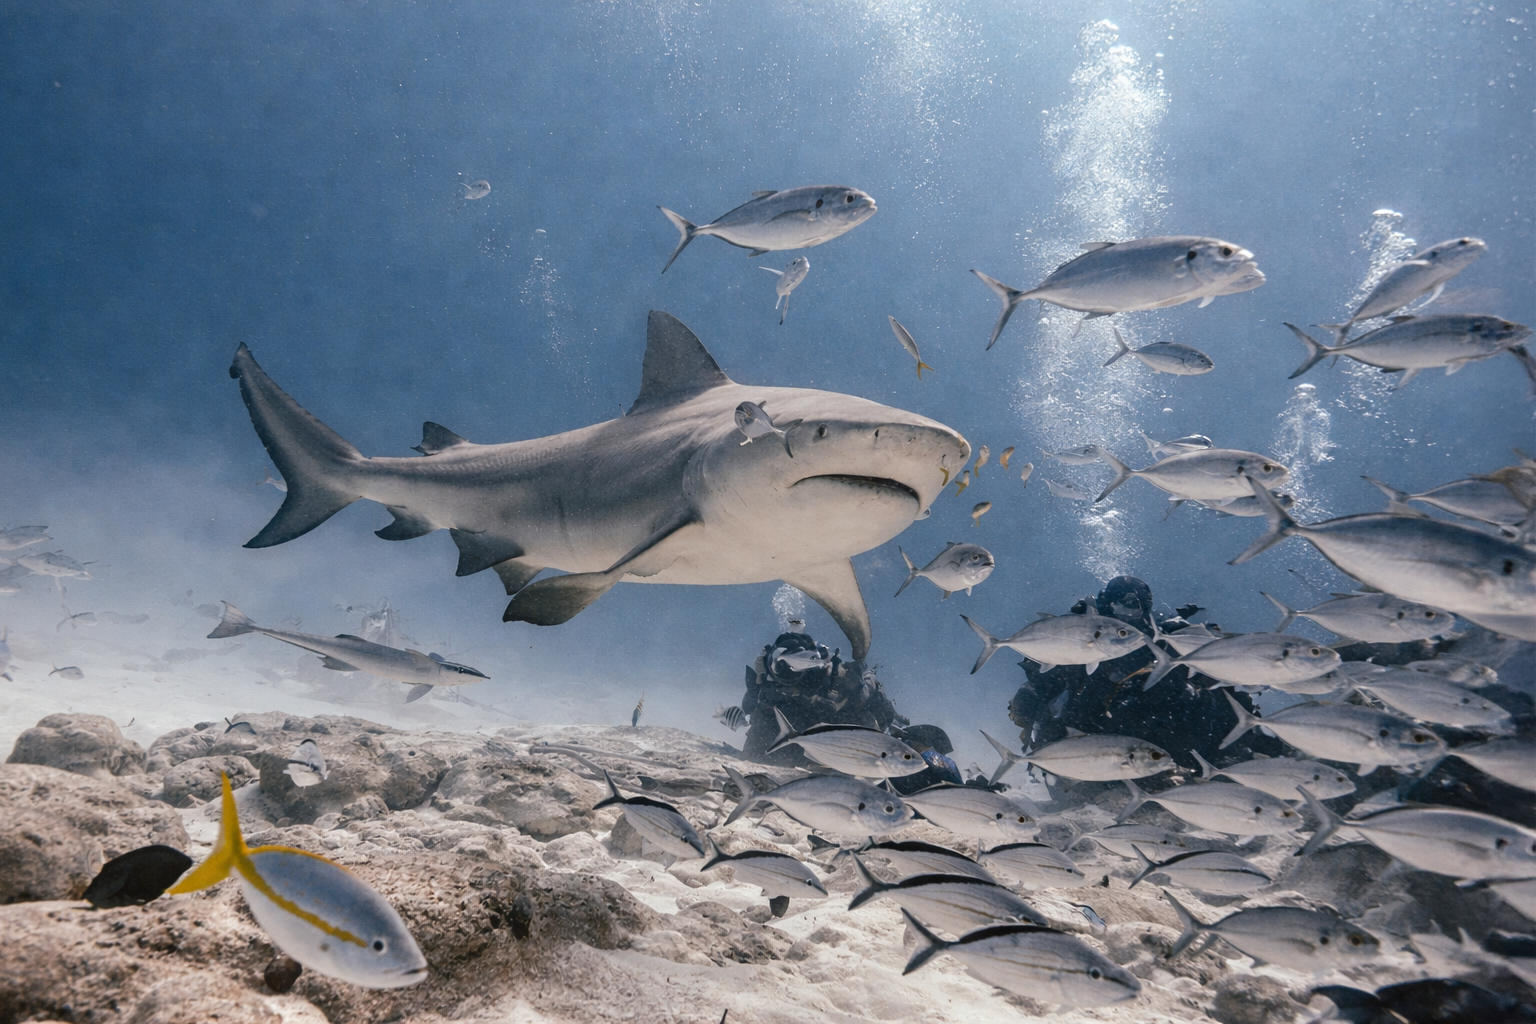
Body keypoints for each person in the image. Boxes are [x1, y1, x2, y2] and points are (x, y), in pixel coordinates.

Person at [1006, 575, 1290, 770]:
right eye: (1122, 604)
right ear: (1105, 606)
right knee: (1052, 732)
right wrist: (1031, 711)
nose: (1130, 613)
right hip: (1100, 738)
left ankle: (1257, 753)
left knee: (1219, 701)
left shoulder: (1168, 637)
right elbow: (1044, 684)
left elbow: (1222, 678)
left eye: (1138, 607)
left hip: (1174, 735)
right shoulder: (1080, 643)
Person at [739, 630, 897, 766]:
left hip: (829, 753)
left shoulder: (829, 676)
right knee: (755, 751)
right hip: (789, 747)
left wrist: (862, 690)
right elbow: (749, 710)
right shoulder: (767, 681)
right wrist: (756, 688)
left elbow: (882, 717)